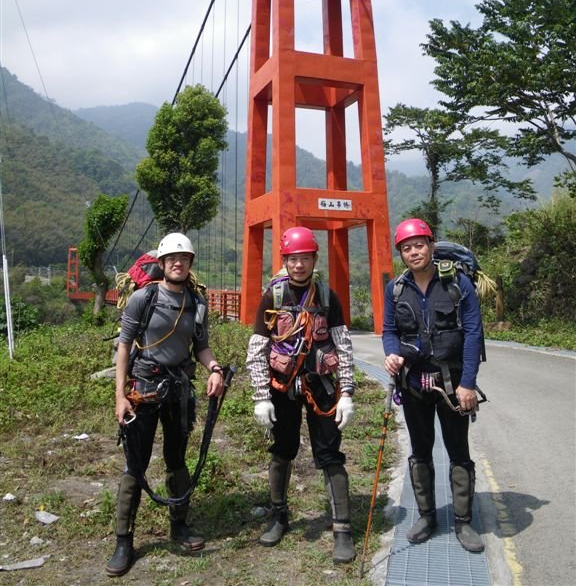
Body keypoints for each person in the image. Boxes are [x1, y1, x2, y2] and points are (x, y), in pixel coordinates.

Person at [106, 233, 225, 577]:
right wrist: (119, 395)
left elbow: (200, 346)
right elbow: (124, 346)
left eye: (184, 259)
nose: (178, 263)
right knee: (135, 464)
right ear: (161, 264)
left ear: (190, 264)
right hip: (142, 390)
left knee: (176, 460)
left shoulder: (196, 303)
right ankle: (124, 540)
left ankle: (180, 526)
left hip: (177, 391)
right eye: (172, 259)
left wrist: (214, 368)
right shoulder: (143, 298)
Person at [245, 226, 356, 564]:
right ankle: (278, 516)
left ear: (313, 259)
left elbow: (343, 344)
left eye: (304, 258)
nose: (298, 265)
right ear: (285, 261)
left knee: (329, 454)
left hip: (321, 388)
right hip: (282, 390)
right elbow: (258, 349)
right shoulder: (273, 298)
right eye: (293, 259)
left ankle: (342, 530)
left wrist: (347, 391)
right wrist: (260, 396)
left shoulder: (327, 297)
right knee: (282, 449)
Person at [382, 218, 485, 553]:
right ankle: (427, 516)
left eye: (419, 245)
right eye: (406, 248)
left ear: (431, 244)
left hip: (453, 384)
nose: (414, 252)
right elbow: (389, 330)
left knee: (458, 451)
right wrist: (391, 355)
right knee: (420, 450)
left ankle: (463, 521)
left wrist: (468, 383)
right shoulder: (396, 289)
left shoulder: (456, 284)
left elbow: (473, 333)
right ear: (401, 253)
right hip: (413, 383)